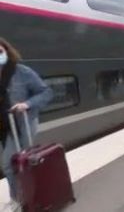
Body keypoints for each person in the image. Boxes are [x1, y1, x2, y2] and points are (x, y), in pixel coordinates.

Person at [0, 38, 53, 211]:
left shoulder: (22, 72)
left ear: (7, 51)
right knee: (9, 164)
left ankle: (34, 196)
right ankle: (18, 199)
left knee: (25, 163)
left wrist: (27, 104)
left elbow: (46, 92)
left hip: (23, 125)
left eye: (0, 52)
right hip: (5, 127)